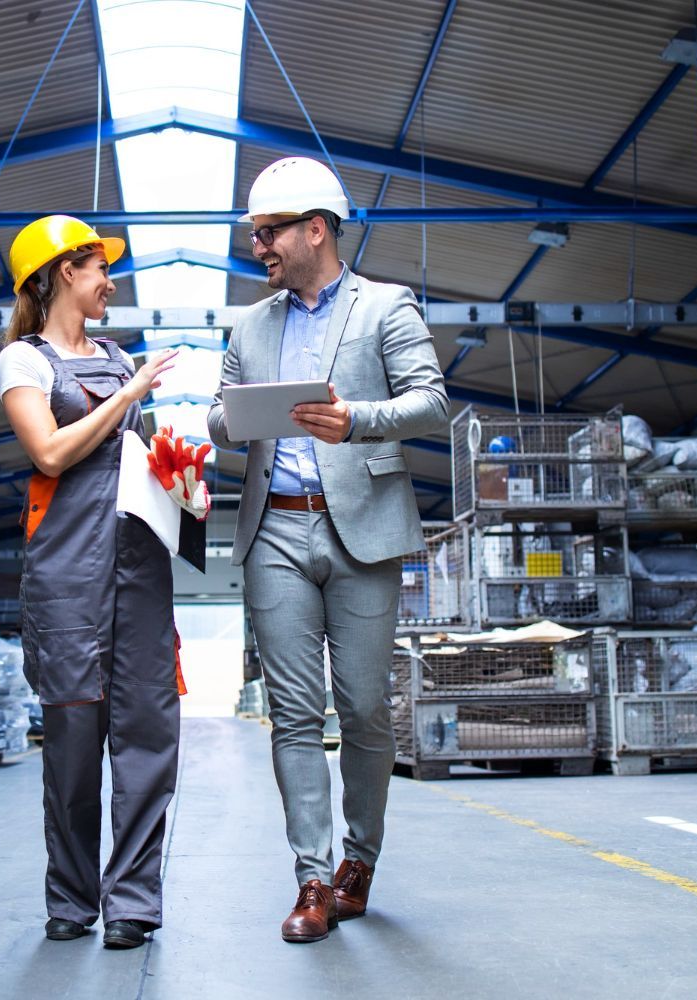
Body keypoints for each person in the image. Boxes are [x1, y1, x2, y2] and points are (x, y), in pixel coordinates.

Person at [206, 158, 449, 943]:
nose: (259, 245)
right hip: (273, 525)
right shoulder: (249, 326)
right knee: (293, 714)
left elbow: (431, 401)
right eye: (255, 233)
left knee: (366, 708)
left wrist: (359, 421)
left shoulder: (386, 308)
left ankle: (359, 862)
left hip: (362, 528)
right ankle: (311, 879)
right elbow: (216, 421)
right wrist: (237, 417)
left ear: (317, 228)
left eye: (270, 231)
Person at [0, 215, 191, 951]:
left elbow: (133, 458)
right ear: (60, 275)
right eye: (98, 267)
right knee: (74, 746)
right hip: (67, 575)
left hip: (139, 570)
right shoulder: (25, 361)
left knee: (147, 734)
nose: (110, 281)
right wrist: (132, 391)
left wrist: (182, 472)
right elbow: (49, 453)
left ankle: (133, 906)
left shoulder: (114, 357)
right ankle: (72, 900)